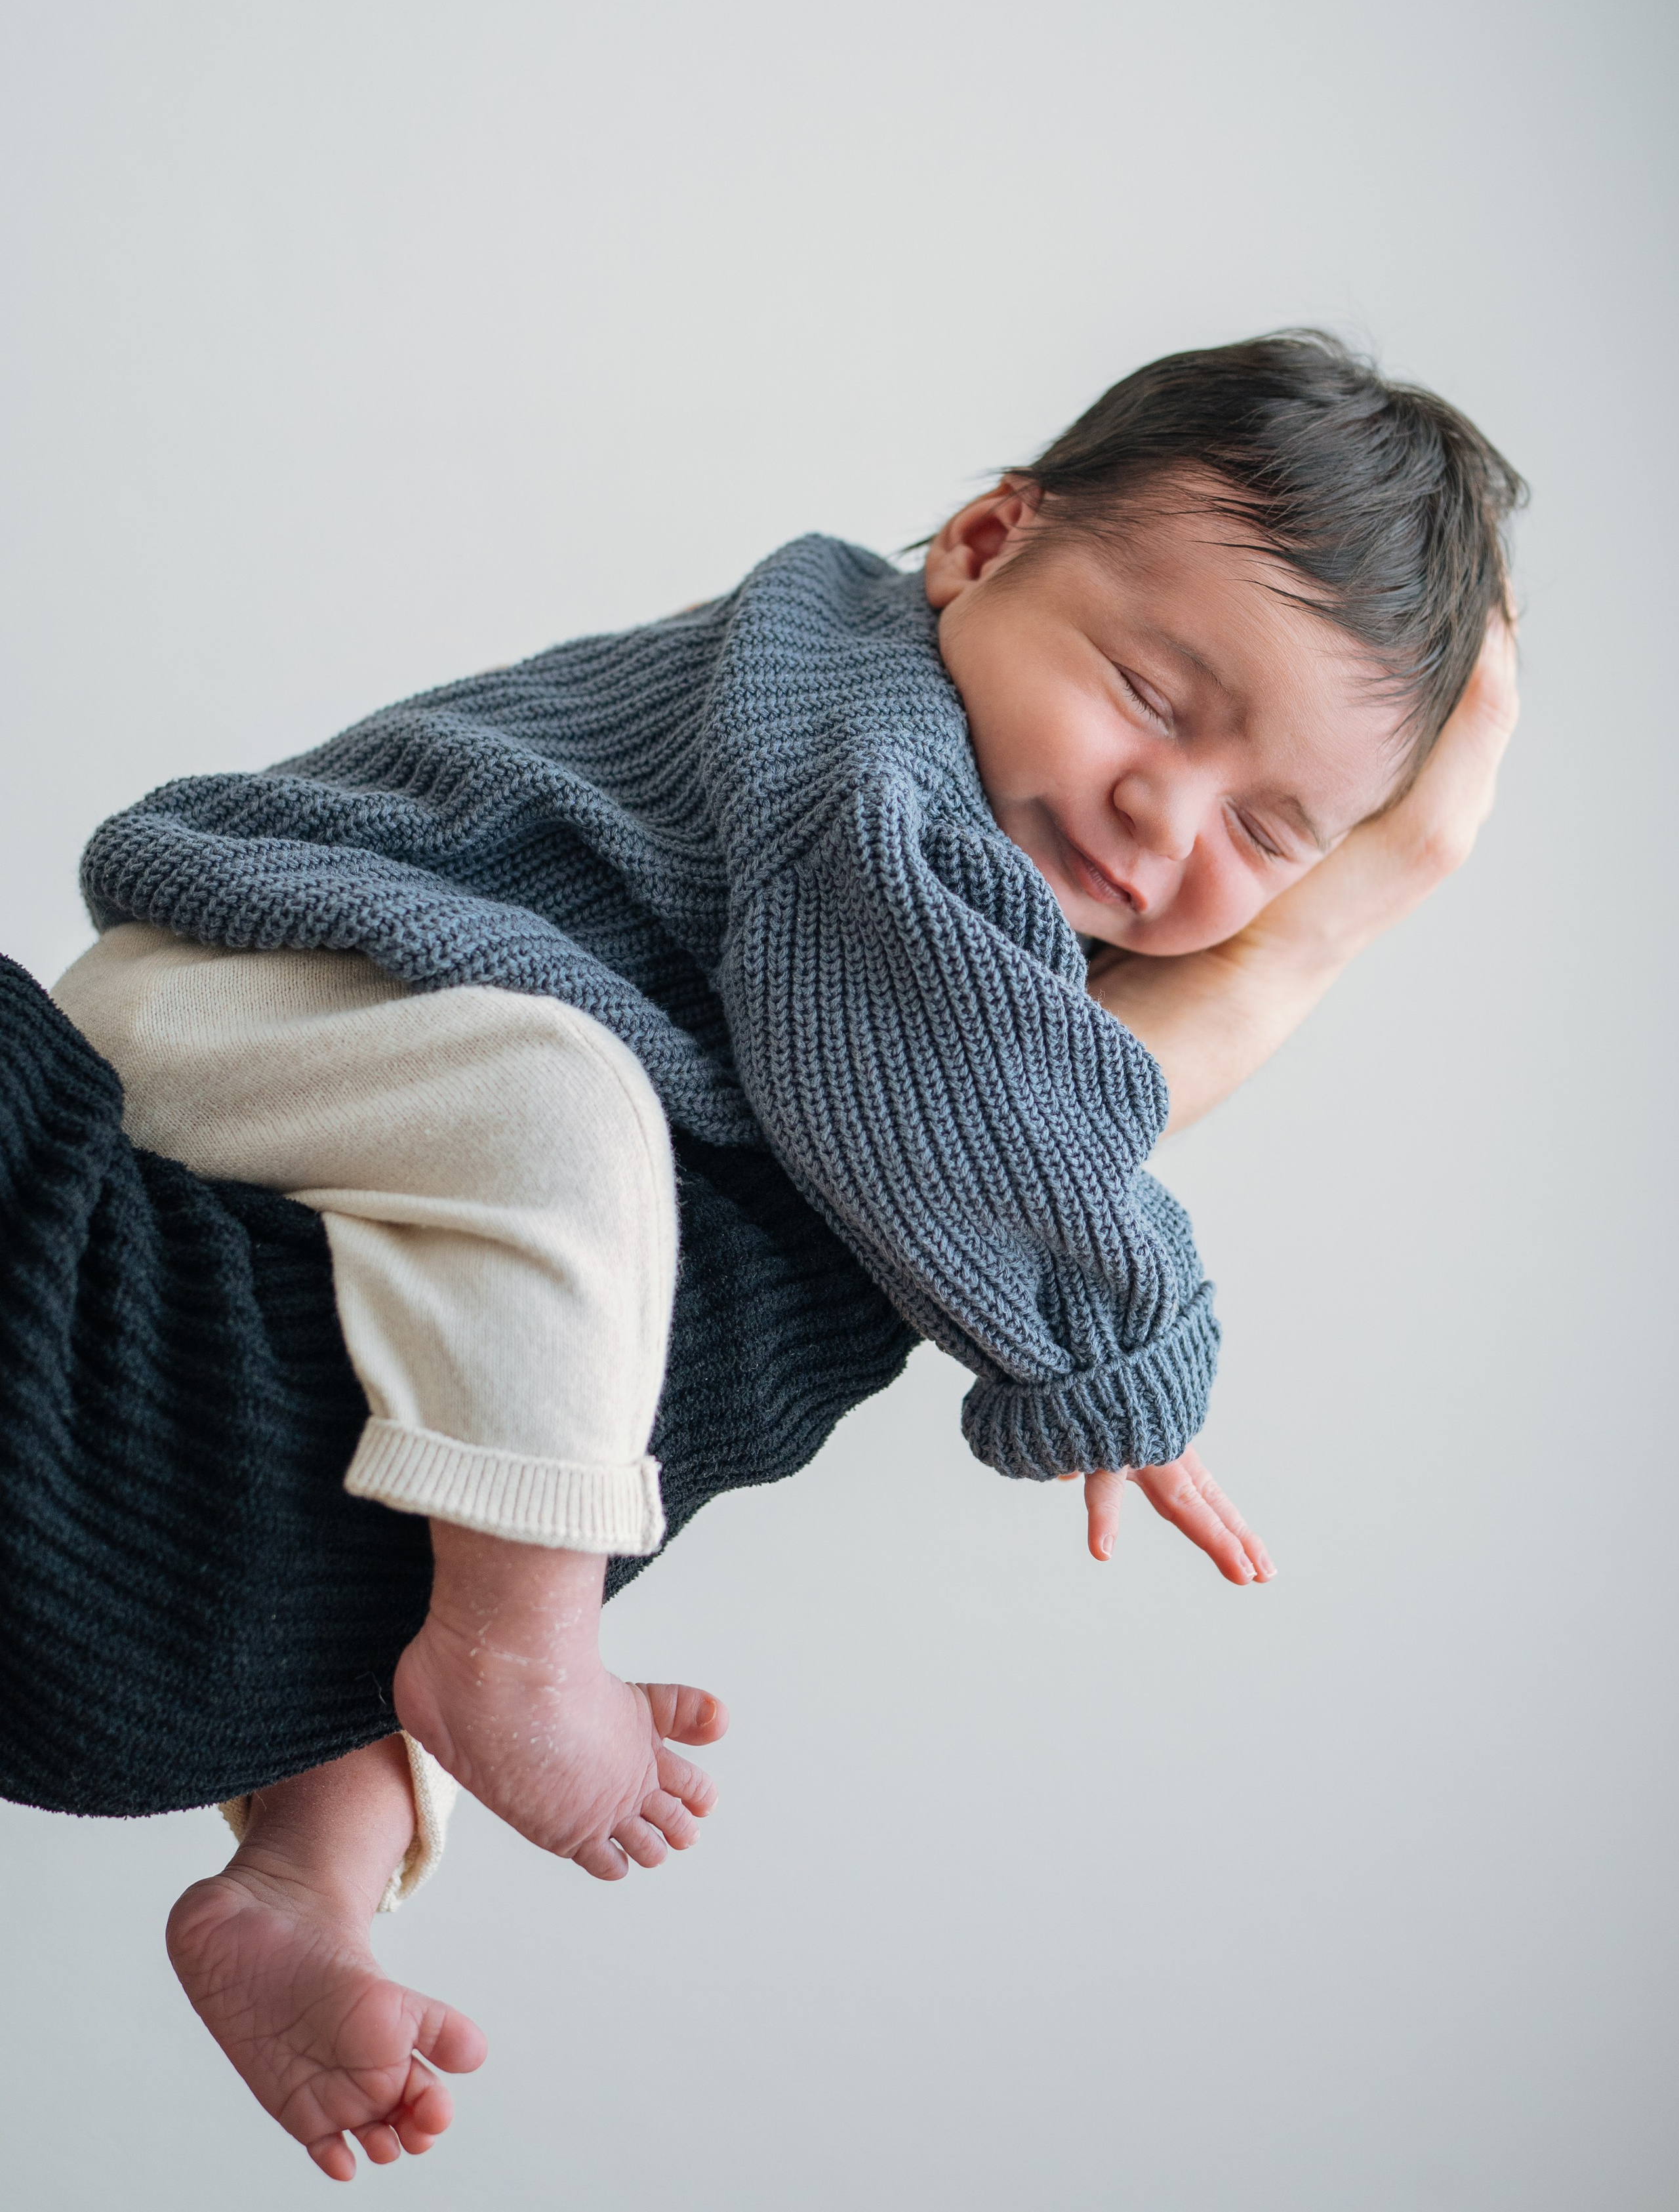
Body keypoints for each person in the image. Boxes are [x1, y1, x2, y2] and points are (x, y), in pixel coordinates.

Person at [51, 332, 1521, 2179]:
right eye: (1153, 694)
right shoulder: (856, 734)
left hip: (372, 1108)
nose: (1167, 815)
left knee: (473, 1407)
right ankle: (509, 1660)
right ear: (986, 544)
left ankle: (301, 1881)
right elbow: (951, 1097)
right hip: (262, 986)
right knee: (568, 1139)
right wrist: (1114, 1354)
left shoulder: (955, 813)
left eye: (1268, 829)